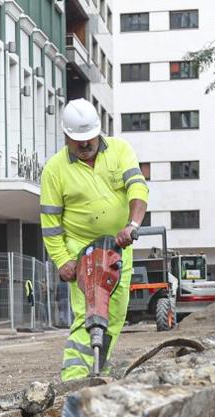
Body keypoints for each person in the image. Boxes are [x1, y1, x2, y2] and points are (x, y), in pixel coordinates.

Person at [40, 99, 148, 380]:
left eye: (90, 139)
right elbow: (50, 222)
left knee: (115, 313)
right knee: (89, 313)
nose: (85, 145)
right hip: (80, 249)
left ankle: (99, 369)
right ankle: (74, 379)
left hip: (117, 246)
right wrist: (63, 260)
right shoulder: (55, 169)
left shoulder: (120, 150)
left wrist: (132, 224)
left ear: (99, 132)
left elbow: (138, 186)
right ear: (66, 137)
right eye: (78, 141)